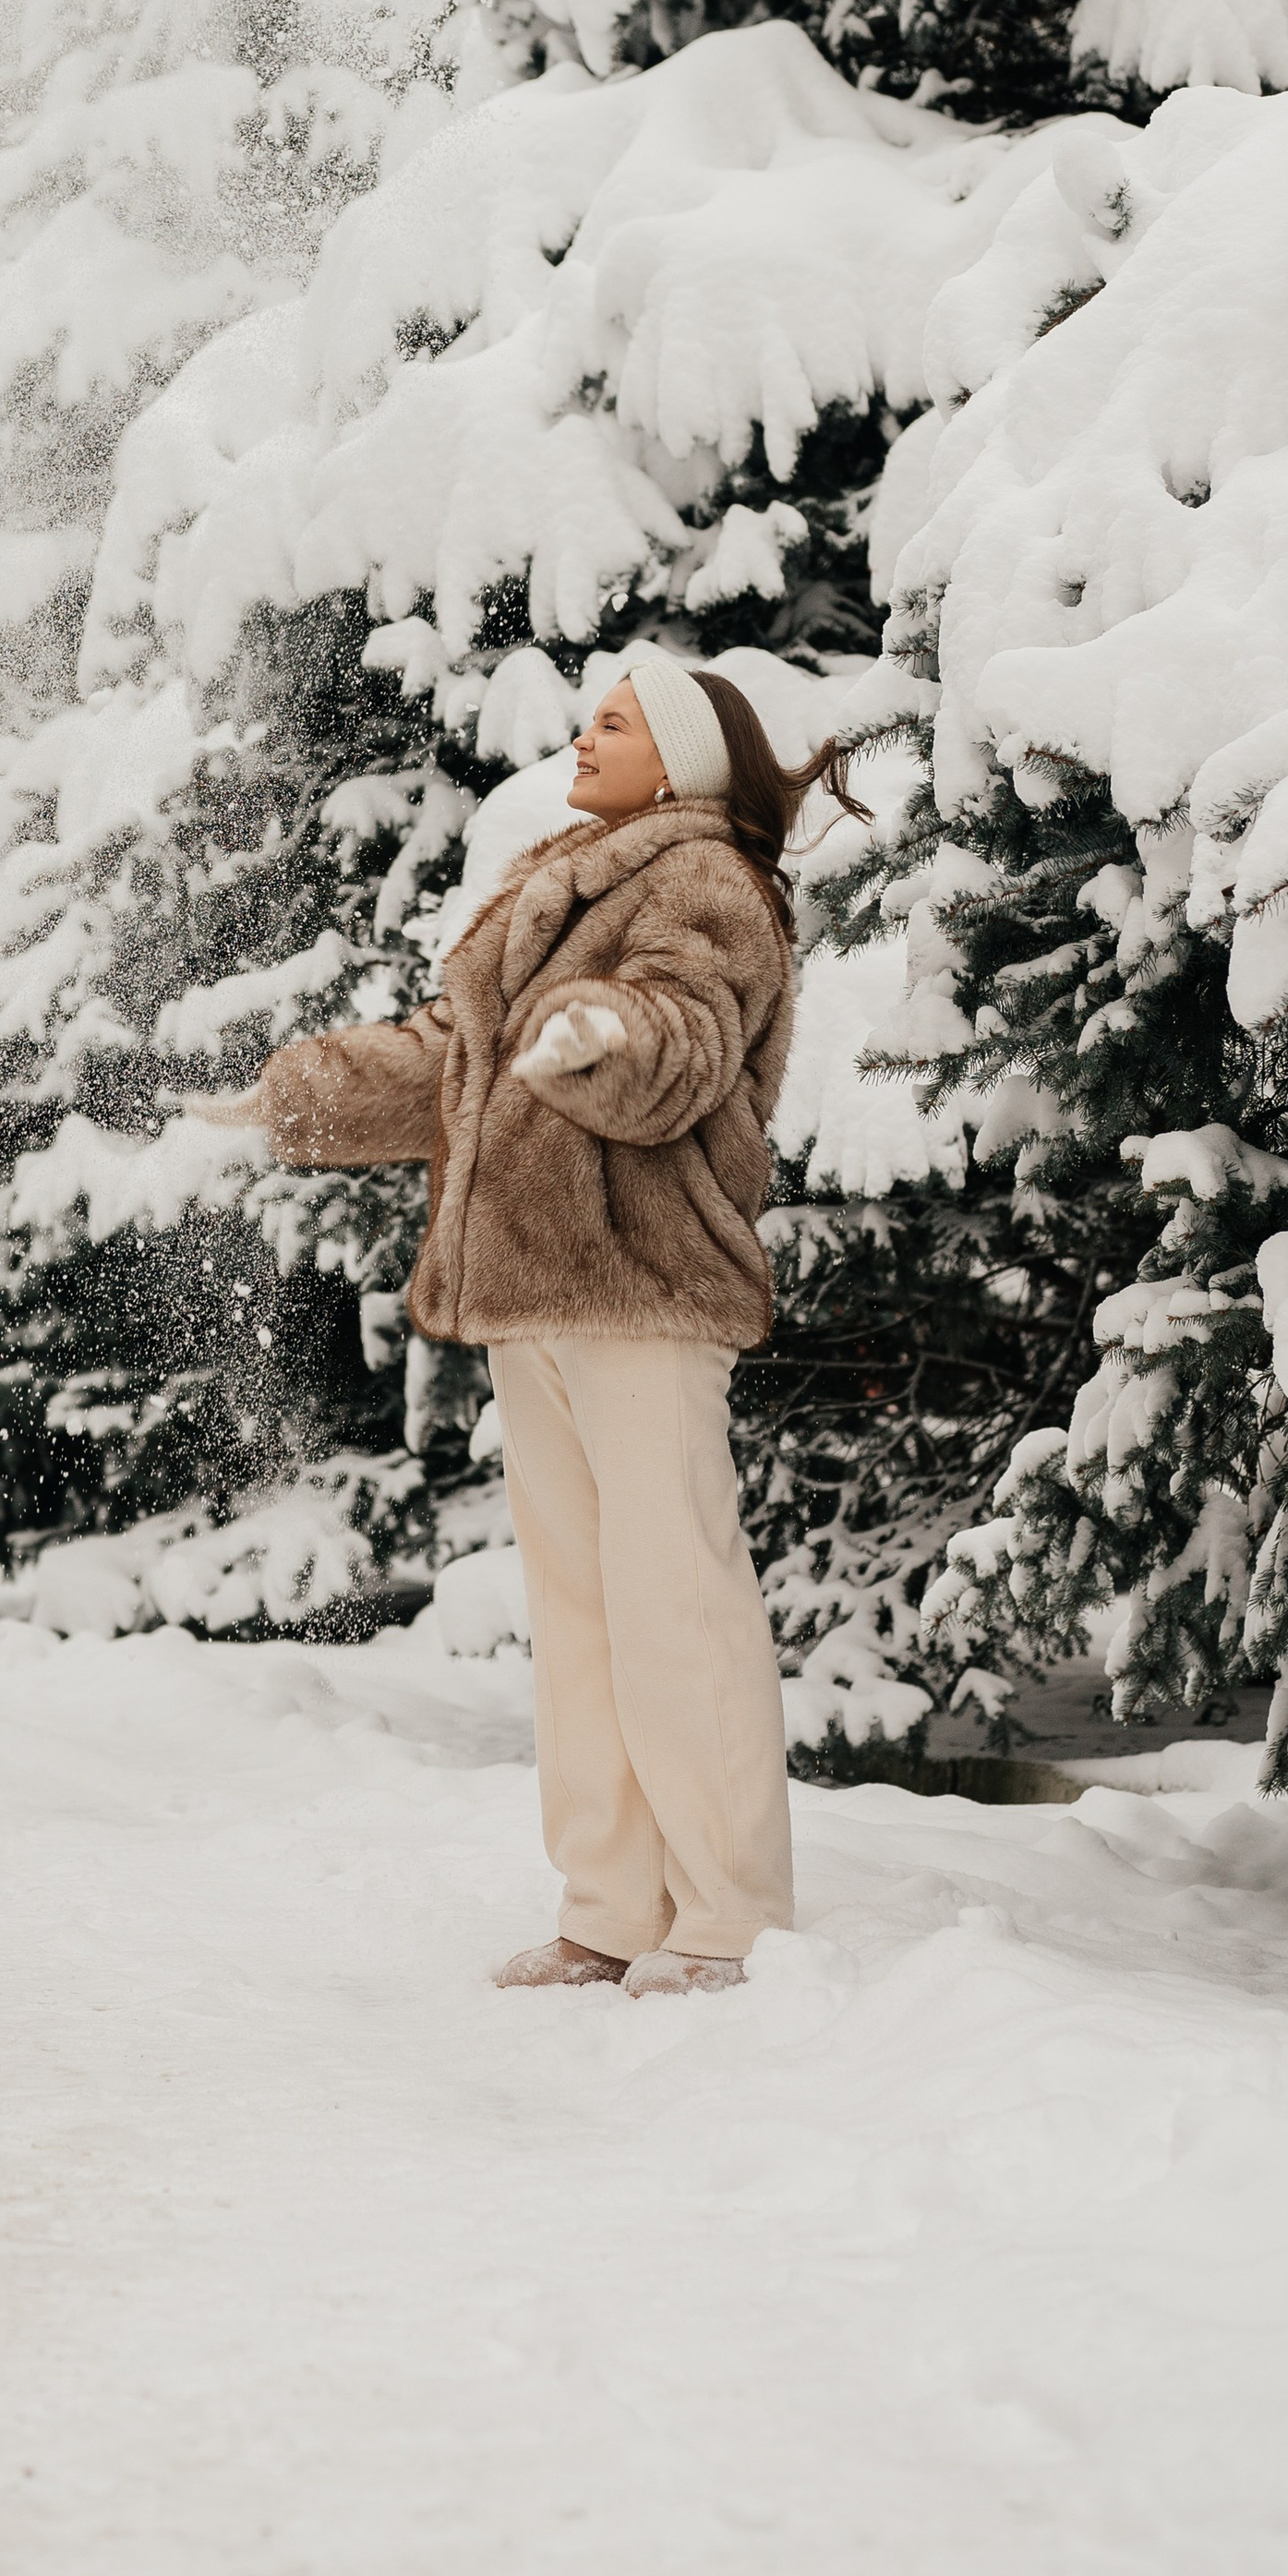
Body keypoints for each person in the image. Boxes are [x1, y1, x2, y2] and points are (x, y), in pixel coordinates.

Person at [202, 657, 865, 2000]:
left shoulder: (707, 881)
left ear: (681, 759)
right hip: (537, 1293)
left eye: (613, 723)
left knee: (676, 1597)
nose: (583, 736)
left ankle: (728, 1918)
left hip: (646, 1286)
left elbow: (682, 1032)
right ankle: (609, 1910)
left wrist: (598, 1033)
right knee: (578, 1612)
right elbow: (454, 1057)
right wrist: (294, 1096)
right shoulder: (560, 884)